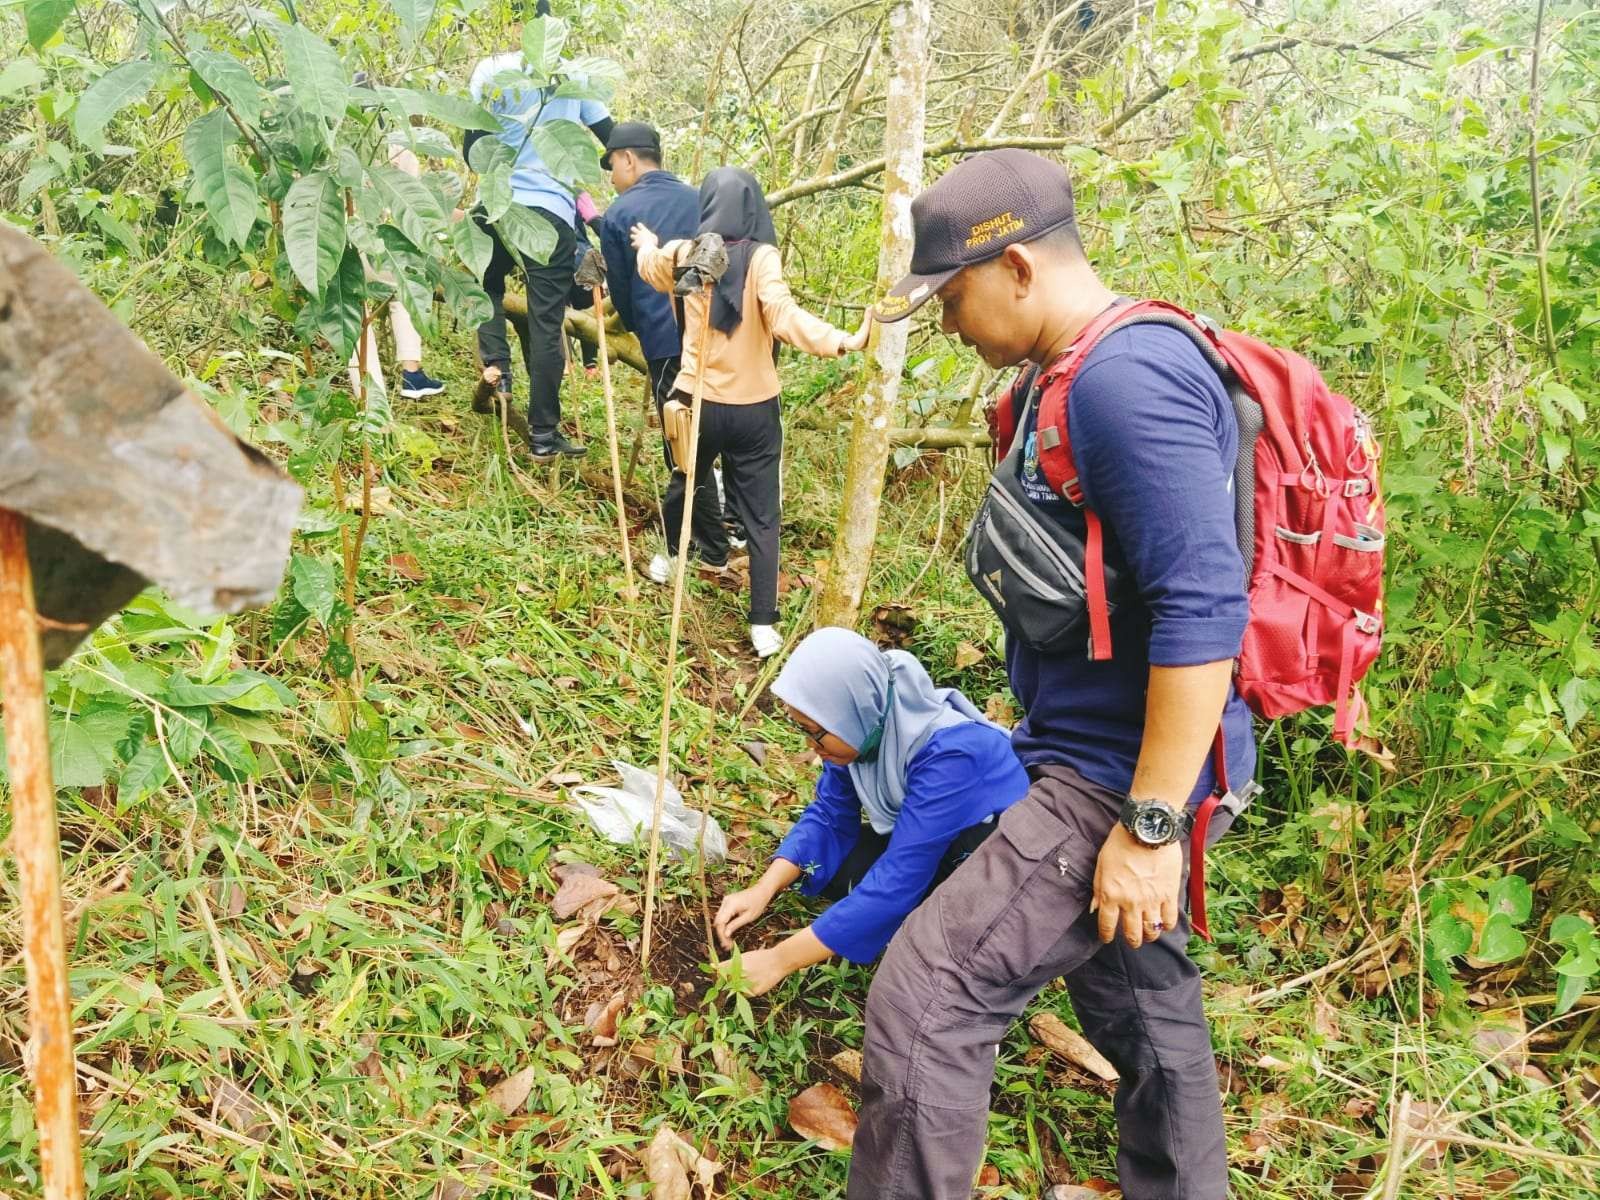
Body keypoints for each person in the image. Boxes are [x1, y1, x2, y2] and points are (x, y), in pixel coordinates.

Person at [850, 148, 1254, 1199]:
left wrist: (1150, 827)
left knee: (927, 999)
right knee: (1136, 993)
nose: (944, 322)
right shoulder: (1062, 375)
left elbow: (1205, 612)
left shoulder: (1127, 381)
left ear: (1019, 269)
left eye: (952, 296)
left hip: (1116, 776)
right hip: (1083, 749)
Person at [631, 168, 870, 658]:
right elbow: (782, 315)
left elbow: (650, 266)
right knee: (762, 517)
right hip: (754, 409)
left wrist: (647, 243)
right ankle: (763, 622)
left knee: (686, 478)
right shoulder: (762, 258)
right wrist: (842, 340)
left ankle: (674, 558)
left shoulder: (683, 252)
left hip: (696, 399)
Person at [714, 627, 1029, 996]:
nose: (811, 746)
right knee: (835, 870)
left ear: (853, 711)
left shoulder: (952, 755)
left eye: (816, 732)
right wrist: (763, 888)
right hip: (930, 842)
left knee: (934, 945)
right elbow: (830, 815)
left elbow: (900, 877)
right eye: (804, 730)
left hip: (995, 862)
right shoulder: (864, 727)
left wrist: (779, 959)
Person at [465, 0, 614, 463]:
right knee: (548, 323)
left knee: (485, 286)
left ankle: (499, 371)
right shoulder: (573, 77)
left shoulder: (491, 71)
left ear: (513, 23)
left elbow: (473, 146)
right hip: (550, 213)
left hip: (494, 203)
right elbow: (611, 139)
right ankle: (544, 436)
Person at [597, 122, 739, 552]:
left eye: (612, 166)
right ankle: (733, 527)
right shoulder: (701, 199)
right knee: (715, 429)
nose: (612, 176)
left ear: (628, 160)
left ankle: (705, 542)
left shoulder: (620, 213)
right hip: (715, 333)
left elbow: (622, 290)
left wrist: (644, 326)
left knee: (681, 438)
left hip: (665, 338)